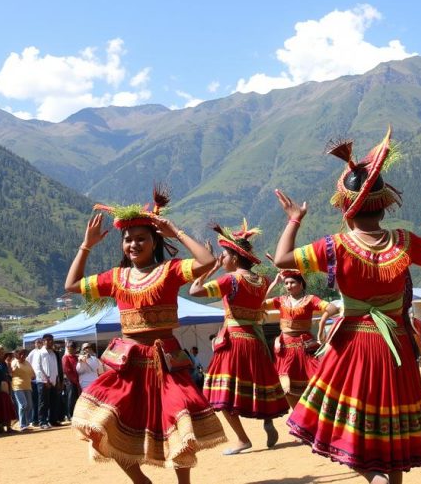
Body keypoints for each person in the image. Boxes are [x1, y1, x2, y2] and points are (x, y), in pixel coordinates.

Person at [273, 128, 421, 483]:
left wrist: (295, 218)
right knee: (393, 421)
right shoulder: (404, 241)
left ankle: (372, 478)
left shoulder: (336, 245)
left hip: (354, 343)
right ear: (386, 203)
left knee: (351, 422)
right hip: (396, 343)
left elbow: (282, 258)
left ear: (345, 206)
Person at [65, 187, 225, 483]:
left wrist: (175, 230)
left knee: (177, 422)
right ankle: (140, 480)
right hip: (129, 365)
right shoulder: (116, 277)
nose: (133, 244)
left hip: (166, 361)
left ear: (155, 242)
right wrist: (86, 246)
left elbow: (206, 262)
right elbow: (72, 285)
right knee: (102, 422)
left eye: (141, 238)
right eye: (128, 239)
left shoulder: (170, 271)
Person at [190, 220, 289, 454]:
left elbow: (194, 290)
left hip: (235, 340)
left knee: (220, 393)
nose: (223, 260)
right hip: (255, 339)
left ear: (234, 258)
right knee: (260, 383)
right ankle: (268, 421)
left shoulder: (231, 279)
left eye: (224, 256)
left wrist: (211, 268)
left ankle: (243, 439)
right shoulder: (261, 280)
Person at [261, 268, 338, 410]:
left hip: (305, 345)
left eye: (292, 283)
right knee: (287, 385)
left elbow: (333, 308)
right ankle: (296, 415)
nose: (288, 286)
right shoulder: (281, 300)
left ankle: (315, 413)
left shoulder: (310, 299)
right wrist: (273, 284)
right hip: (285, 345)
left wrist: (321, 324)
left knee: (315, 381)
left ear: (301, 283)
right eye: (286, 283)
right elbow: (260, 304)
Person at [31, 334, 59, 428]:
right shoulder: (39, 353)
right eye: (48, 340)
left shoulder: (53, 353)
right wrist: (45, 380)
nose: (50, 342)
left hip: (53, 381)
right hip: (43, 382)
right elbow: (37, 368)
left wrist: (56, 379)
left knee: (53, 401)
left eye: (51, 340)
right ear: (43, 341)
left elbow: (55, 368)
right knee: (43, 402)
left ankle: (53, 420)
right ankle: (42, 422)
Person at [10, 347, 35, 431]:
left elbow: (33, 374)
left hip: (27, 386)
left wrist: (32, 376)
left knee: (30, 405)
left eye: (24, 354)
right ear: (17, 355)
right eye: (21, 354)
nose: (23, 356)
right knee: (23, 405)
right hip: (18, 386)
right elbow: (11, 372)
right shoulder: (14, 362)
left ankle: (26, 424)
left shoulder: (27, 363)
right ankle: (22, 424)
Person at [62, 340, 81, 419]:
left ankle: (76, 414)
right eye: (70, 348)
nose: (71, 350)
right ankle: (70, 414)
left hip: (77, 380)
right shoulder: (66, 357)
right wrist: (75, 380)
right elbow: (67, 370)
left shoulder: (76, 357)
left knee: (77, 397)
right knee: (71, 398)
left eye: (73, 348)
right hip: (70, 381)